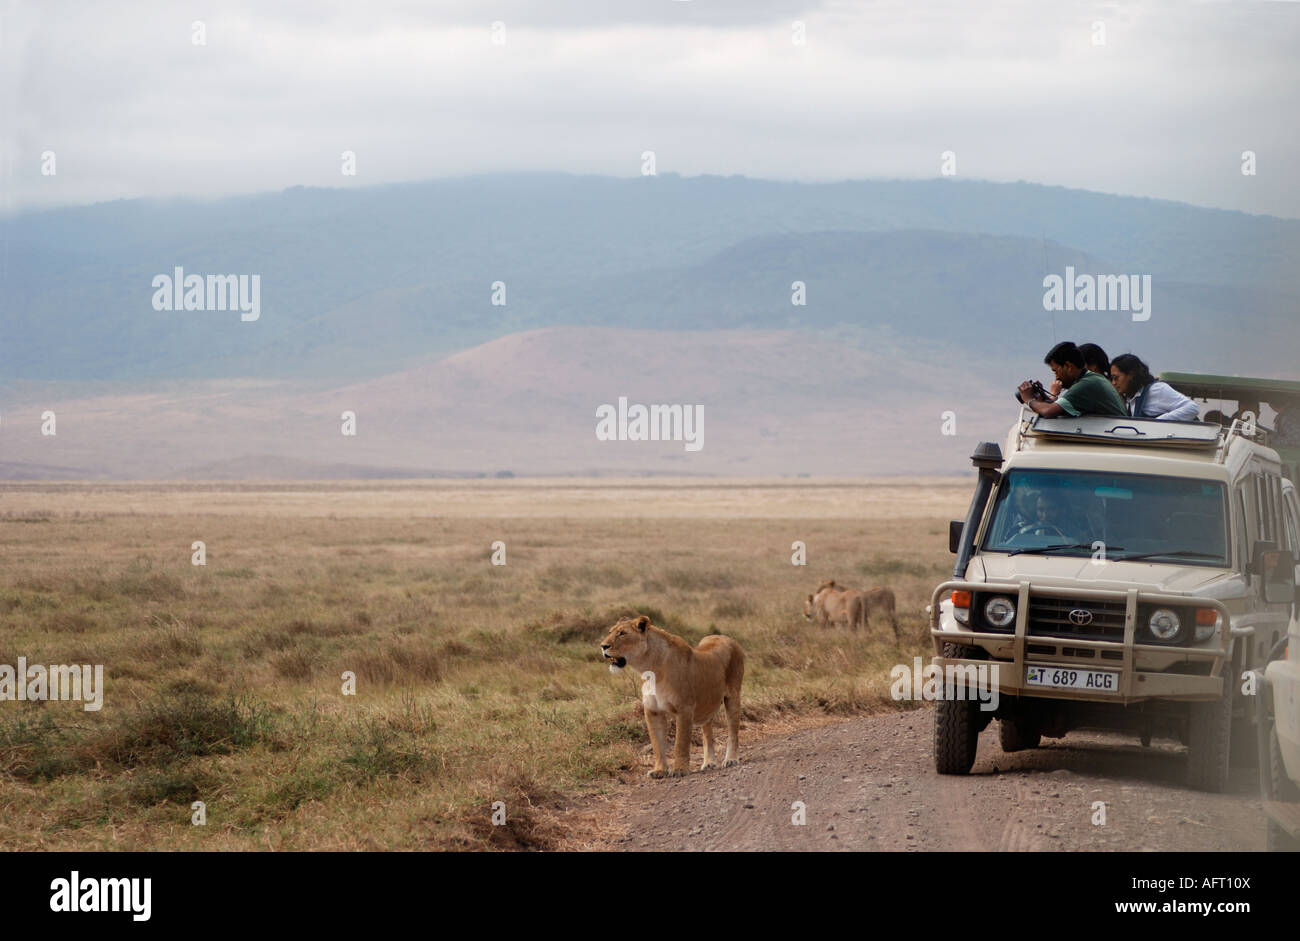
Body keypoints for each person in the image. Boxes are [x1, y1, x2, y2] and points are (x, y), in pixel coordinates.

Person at [1018, 341, 1128, 418]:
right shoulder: (1090, 379)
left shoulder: (1086, 384)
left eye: (1056, 371)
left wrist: (1029, 399)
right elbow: (1062, 408)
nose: (1056, 377)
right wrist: (1043, 397)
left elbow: (1048, 411)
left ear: (1068, 366)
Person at [1108, 354, 1200, 421]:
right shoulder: (1129, 399)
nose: (1113, 383)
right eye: (1112, 379)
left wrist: (1157, 423)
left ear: (1131, 374)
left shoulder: (1156, 390)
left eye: (1116, 378)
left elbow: (1192, 408)